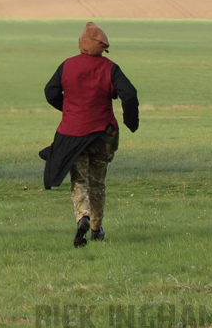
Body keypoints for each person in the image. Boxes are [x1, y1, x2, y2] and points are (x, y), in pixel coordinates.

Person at [41, 22, 139, 248]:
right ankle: (96, 229)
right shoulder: (110, 68)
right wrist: (130, 122)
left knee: (79, 179)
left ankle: (82, 216)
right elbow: (130, 94)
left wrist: (69, 107)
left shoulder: (67, 66)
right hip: (103, 136)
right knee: (97, 182)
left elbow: (50, 92)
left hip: (73, 135)